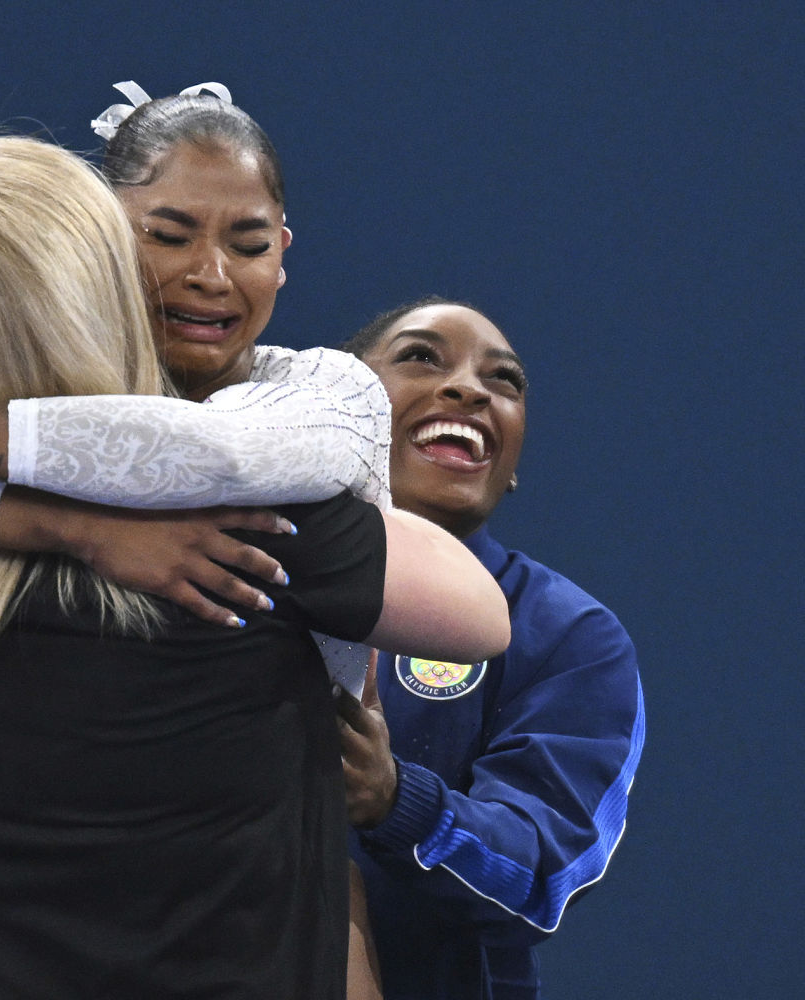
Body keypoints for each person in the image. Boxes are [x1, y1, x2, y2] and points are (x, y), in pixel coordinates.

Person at [0, 136, 510, 999]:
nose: (204, 275)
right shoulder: (241, 539)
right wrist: (95, 521)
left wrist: (49, 516)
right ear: (104, 289)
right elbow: (477, 613)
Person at [0, 83, 391, 638]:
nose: (212, 275)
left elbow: (221, 454)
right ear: (99, 242)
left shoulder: (333, 388)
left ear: (281, 251)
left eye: (249, 245)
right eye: (168, 238)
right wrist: (87, 531)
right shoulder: (31, 385)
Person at [335, 298, 646, 1000]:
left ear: (511, 464)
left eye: (503, 381)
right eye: (421, 357)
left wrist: (393, 799)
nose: (470, 388)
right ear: (337, 401)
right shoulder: (228, 559)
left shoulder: (568, 634)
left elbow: (545, 873)